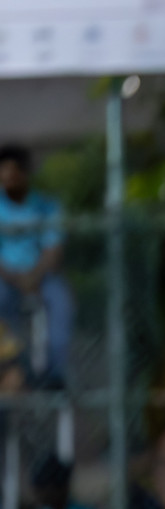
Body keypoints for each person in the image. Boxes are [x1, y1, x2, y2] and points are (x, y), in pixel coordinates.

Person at [0, 145, 74, 388]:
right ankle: (12, 363)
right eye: (4, 170)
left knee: (61, 301)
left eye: (14, 170)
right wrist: (16, 278)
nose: (9, 176)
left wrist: (33, 277)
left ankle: (55, 372)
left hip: (40, 275)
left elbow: (53, 249)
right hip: (6, 277)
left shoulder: (46, 206)